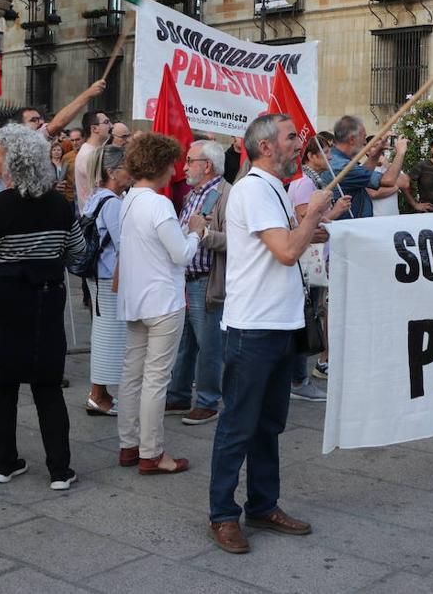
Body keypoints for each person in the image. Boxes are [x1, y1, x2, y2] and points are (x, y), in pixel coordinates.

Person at [208, 114, 331, 555]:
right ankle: (223, 514)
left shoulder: (274, 188)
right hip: (253, 327)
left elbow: (285, 242)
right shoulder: (255, 188)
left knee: (269, 425)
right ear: (265, 147)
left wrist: (314, 226)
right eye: (291, 137)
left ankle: (263, 504)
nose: (299, 143)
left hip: (281, 324)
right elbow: (284, 252)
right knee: (238, 425)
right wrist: (314, 211)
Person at [0, 125, 84, 490]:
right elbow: (78, 255)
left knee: (1, 386)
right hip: (45, 304)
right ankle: (59, 471)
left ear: (12, 163)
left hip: (2, 305)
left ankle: (4, 463)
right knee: (47, 387)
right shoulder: (59, 206)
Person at [115, 133, 204, 475]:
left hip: (136, 297)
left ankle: (129, 445)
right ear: (160, 164)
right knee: (155, 378)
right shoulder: (158, 203)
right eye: (171, 163)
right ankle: (152, 452)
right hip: (162, 300)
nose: (175, 170)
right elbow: (181, 254)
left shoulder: (129, 199)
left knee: (132, 374)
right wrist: (196, 231)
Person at [167, 140, 231, 424]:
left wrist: (204, 235)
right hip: (185, 278)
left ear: (207, 165)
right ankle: (178, 395)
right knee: (184, 343)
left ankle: (207, 401)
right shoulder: (192, 194)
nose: (183, 167)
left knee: (209, 345)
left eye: (189, 160)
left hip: (207, 282)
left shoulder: (226, 195)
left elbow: (237, 242)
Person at [287, 135, 353, 390]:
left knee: (315, 311)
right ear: (311, 156)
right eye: (324, 152)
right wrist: (335, 212)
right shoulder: (304, 183)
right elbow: (308, 220)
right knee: (311, 313)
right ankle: (300, 376)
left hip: (318, 254)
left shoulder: (311, 182)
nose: (329, 158)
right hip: (311, 256)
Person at [83, 144, 131, 417]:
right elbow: (124, 243)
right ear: (112, 171)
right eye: (126, 168)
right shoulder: (112, 203)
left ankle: (99, 392)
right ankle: (97, 394)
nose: (131, 173)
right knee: (109, 336)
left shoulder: (98, 196)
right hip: (108, 275)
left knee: (104, 333)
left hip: (99, 275)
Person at [327, 116, 408, 219]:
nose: (365, 143)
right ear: (352, 139)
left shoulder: (337, 159)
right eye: (363, 137)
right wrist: (400, 153)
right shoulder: (342, 166)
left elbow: (363, 173)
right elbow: (389, 180)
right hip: (349, 227)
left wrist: (379, 150)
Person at [8, 79, 106, 140]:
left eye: (40, 118)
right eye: (33, 120)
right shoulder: (24, 141)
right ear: (20, 126)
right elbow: (58, 124)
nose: (41, 122)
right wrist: (88, 93)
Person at [75, 110, 110, 207]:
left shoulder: (96, 150)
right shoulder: (88, 154)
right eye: (106, 122)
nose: (111, 126)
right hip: (94, 215)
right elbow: (103, 186)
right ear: (94, 128)